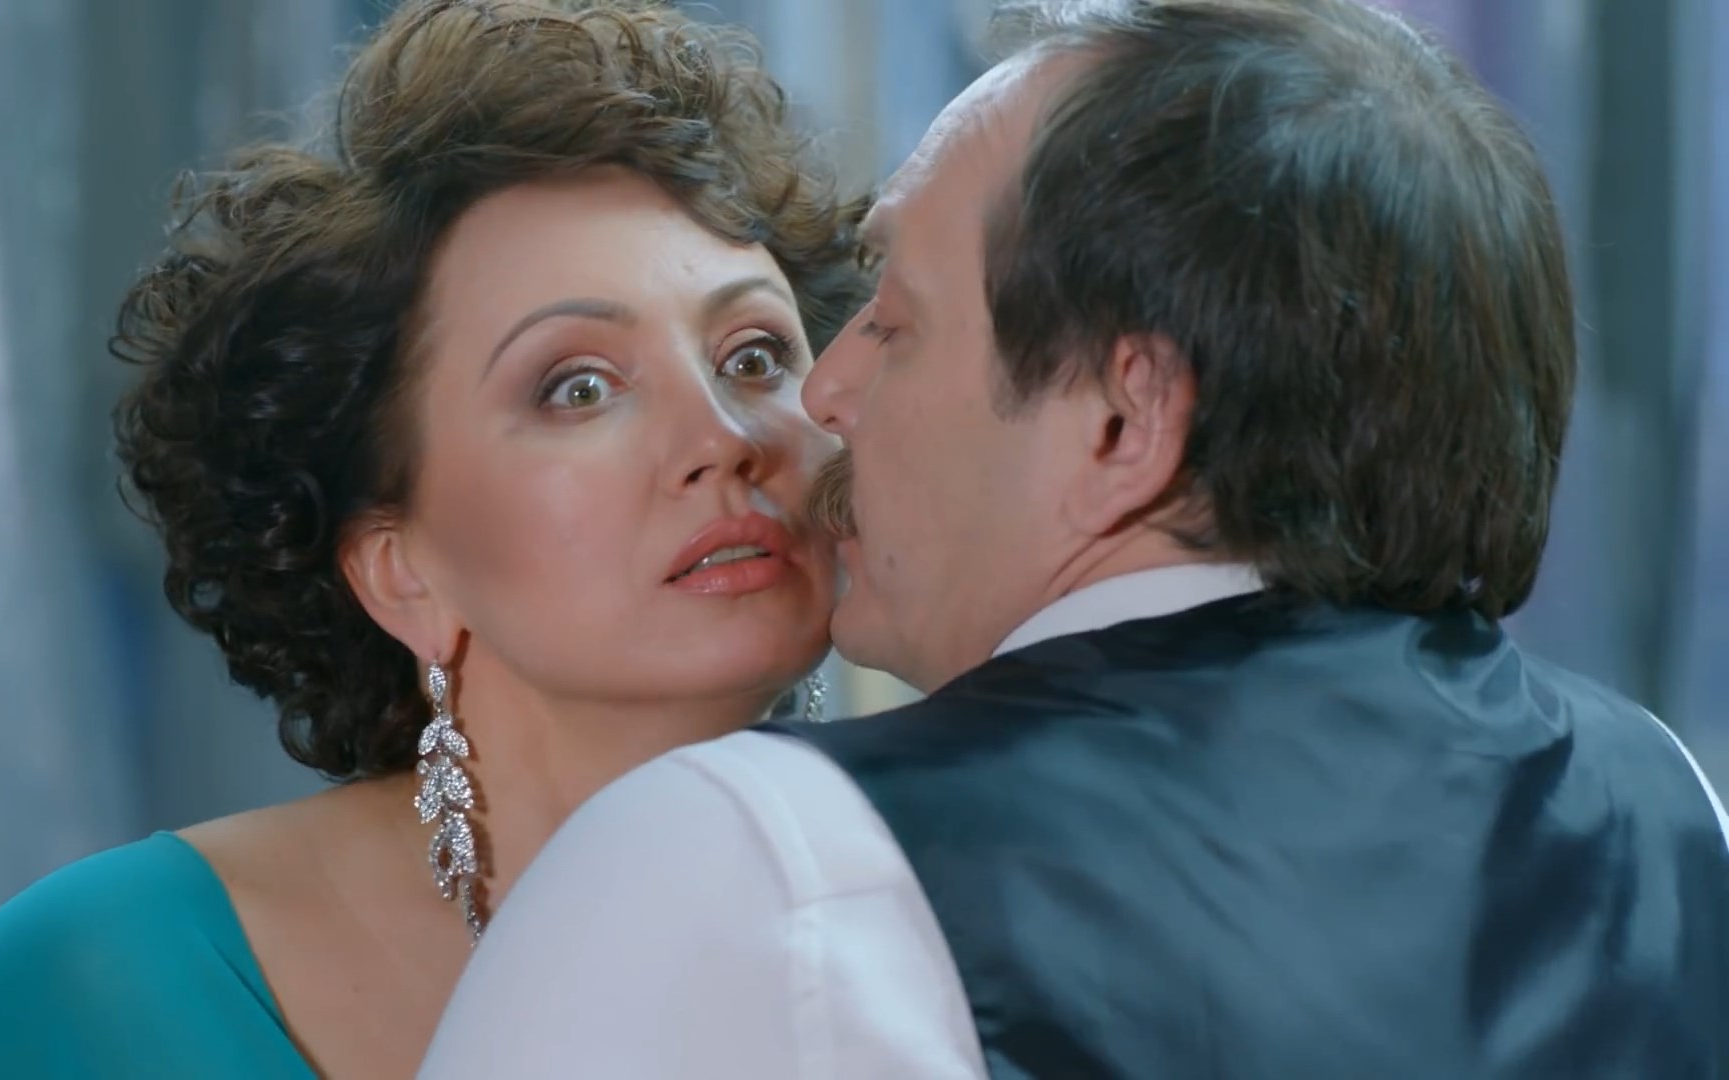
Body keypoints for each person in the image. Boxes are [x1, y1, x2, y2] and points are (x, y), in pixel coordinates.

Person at [421, 0, 1729, 1076]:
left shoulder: (758, 862)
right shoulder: (1666, 808)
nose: (828, 392)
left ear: (1124, 418)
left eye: (897, 322)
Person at [0, 2, 866, 1076]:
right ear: (399, 571)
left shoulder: (944, 917)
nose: (724, 440)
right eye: (576, 387)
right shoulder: (65, 1003)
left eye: (755, 356)